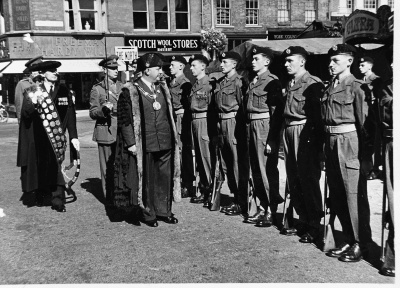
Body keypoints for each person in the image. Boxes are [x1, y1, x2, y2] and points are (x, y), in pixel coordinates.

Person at [114, 52, 180, 227]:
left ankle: (164, 211)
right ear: (146, 70)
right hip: (146, 143)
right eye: (158, 68)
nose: (161, 71)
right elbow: (124, 120)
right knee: (148, 180)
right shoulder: (131, 91)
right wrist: (131, 143)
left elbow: (169, 114)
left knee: (164, 178)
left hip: (165, 141)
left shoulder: (162, 88)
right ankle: (149, 213)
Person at [323, 44, 373, 262]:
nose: (331, 64)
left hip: (349, 142)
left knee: (353, 194)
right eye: (331, 60)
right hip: (332, 141)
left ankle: (360, 243)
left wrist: (367, 157)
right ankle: (347, 238)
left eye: (336, 60)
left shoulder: (356, 86)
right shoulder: (330, 87)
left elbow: (366, 126)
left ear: (349, 62)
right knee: (338, 193)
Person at [17, 60, 80, 212]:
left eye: (56, 71)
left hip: (56, 137)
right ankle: (41, 193)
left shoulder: (65, 90)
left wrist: (74, 136)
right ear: (44, 74)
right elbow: (25, 114)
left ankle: (57, 198)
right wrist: (32, 102)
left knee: (56, 166)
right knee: (40, 167)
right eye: (52, 71)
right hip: (38, 136)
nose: (55, 73)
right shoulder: (34, 90)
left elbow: (70, 115)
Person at [278, 46, 324, 242]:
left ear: (302, 61)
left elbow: (317, 117)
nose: (286, 64)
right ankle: (303, 218)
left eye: (290, 61)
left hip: (304, 132)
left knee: (308, 177)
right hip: (289, 131)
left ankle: (314, 223)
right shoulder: (291, 83)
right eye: (286, 61)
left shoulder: (312, 83)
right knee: (293, 177)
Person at [243, 46, 284, 226]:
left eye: (256, 59)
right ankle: (261, 206)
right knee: (256, 170)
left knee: (266, 169)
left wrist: (272, 139)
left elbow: (276, 114)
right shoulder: (253, 81)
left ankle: (270, 209)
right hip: (251, 126)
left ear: (267, 61)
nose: (253, 62)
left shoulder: (272, 81)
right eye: (252, 59)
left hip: (264, 127)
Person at [212, 51, 249, 216]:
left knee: (236, 163)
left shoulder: (239, 82)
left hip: (233, 122)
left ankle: (242, 200)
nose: (221, 65)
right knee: (226, 163)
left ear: (234, 64)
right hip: (221, 123)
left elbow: (243, 107)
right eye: (221, 62)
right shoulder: (220, 82)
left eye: (225, 62)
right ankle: (235, 196)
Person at [89, 55, 123, 205]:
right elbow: (92, 112)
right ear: (105, 70)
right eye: (112, 68)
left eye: (116, 68)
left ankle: (120, 196)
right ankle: (109, 198)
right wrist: (103, 110)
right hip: (106, 130)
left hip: (121, 130)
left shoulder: (123, 87)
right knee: (107, 167)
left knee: (121, 165)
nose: (116, 70)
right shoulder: (98, 89)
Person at [187, 54, 215, 205]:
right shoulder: (196, 84)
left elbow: (211, 106)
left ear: (203, 66)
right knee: (198, 157)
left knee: (206, 157)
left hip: (204, 121)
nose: (191, 68)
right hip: (195, 122)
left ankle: (211, 191)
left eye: (194, 65)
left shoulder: (208, 84)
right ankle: (204, 190)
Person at [378, 48, 394, 277]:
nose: (392, 66)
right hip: (392, 143)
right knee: (394, 201)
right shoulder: (388, 87)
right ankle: (392, 255)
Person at [168, 55, 194, 197]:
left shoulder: (185, 83)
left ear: (181, 67)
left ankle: (187, 184)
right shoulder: (172, 82)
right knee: (176, 151)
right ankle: (179, 182)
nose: (170, 67)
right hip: (173, 117)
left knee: (184, 151)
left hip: (181, 117)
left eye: (173, 65)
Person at [358, 56, 382, 180]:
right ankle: (366, 168)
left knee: (372, 143)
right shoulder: (359, 81)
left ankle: (374, 169)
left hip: (372, 117)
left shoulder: (376, 80)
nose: (359, 67)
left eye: (362, 65)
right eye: (359, 65)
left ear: (370, 66)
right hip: (362, 116)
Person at [14, 56, 44, 123]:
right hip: (30, 119)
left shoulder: (45, 82)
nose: (38, 72)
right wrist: (20, 120)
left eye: (40, 69)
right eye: (35, 70)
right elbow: (19, 104)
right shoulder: (22, 84)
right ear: (30, 71)